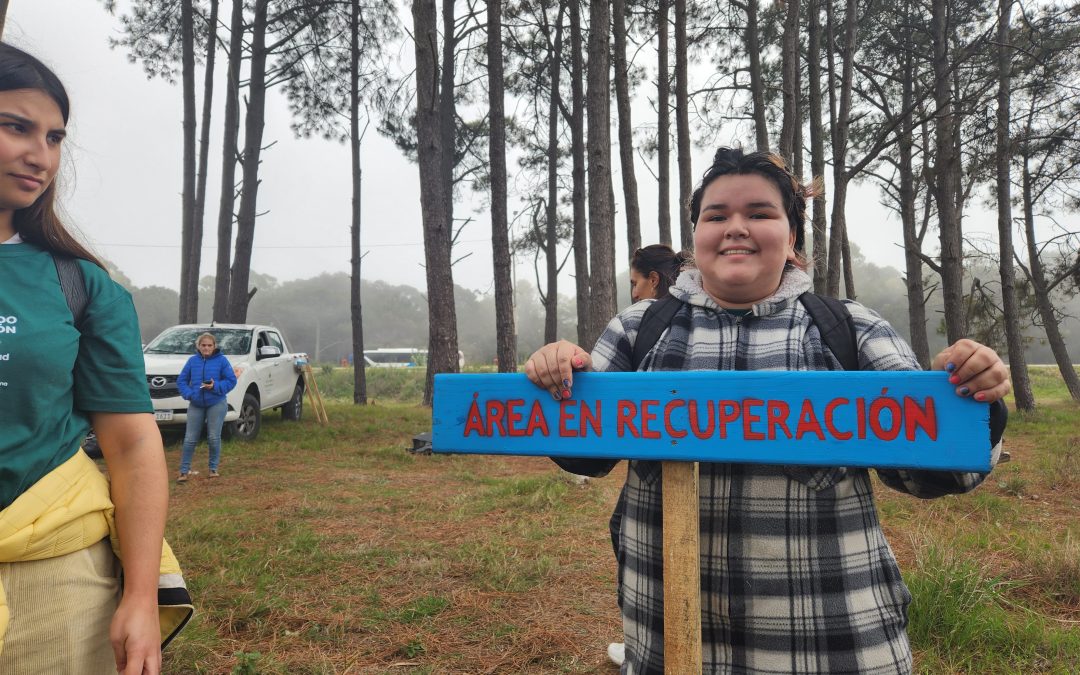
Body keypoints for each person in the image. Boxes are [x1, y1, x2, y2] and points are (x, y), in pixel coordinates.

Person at [525, 147, 1010, 674]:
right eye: (716, 216)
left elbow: (940, 473)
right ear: (695, 239)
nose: (735, 228)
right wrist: (558, 378)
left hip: (834, 643)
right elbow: (584, 455)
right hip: (670, 640)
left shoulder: (851, 328)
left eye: (759, 214)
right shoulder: (639, 329)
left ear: (793, 235)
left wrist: (971, 398)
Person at [0, 43, 190, 673]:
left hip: (55, 584)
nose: (41, 156)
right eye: (16, 127)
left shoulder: (81, 285)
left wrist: (139, 597)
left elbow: (133, 446)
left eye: (54, 137)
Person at [608, 244, 692, 666]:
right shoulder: (633, 328)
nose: (634, 293)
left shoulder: (648, 325)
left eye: (635, 284)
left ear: (653, 281)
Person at [176, 332, 237, 482]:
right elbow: (181, 381)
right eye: (203, 345)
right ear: (198, 346)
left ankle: (213, 469)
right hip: (196, 404)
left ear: (214, 346)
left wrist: (215, 385)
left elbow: (231, 380)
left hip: (216, 403)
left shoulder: (222, 361)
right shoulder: (192, 361)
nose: (206, 348)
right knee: (190, 438)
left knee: (213, 437)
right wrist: (189, 394)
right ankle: (184, 471)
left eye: (209, 345)